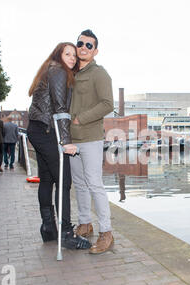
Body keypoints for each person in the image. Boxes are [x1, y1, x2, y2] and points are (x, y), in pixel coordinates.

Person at [27, 42, 91, 250]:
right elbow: (60, 108)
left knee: (47, 178)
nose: (72, 58)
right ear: (58, 54)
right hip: (47, 131)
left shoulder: (49, 70)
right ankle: (66, 234)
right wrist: (66, 142)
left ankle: (48, 228)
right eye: (68, 54)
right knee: (63, 180)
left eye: (74, 55)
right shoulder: (59, 72)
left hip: (37, 129)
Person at [69, 29, 114, 254]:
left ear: (95, 51)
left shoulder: (100, 74)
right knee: (79, 184)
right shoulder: (71, 73)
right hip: (72, 141)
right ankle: (85, 224)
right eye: (81, 43)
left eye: (89, 45)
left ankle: (106, 232)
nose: (84, 48)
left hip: (91, 138)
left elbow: (108, 104)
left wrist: (80, 119)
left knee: (94, 184)